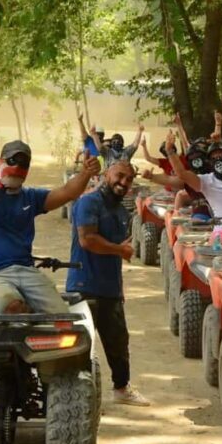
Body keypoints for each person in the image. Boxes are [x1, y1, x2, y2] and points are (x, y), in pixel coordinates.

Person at [0, 119, 100, 314]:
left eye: (23, 163)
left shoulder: (31, 197)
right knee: (9, 306)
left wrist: (86, 173)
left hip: (27, 272)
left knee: (63, 318)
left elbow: (68, 192)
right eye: (12, 160)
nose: (17, 167)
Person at [66, 159, 150, 406]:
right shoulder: (88, 202)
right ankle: (80, 402)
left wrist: (119, 257)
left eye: (129, 179)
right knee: (81, 348)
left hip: (110, 288)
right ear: (106, 174)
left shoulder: (121, 210)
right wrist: (119, 250)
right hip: (83, 287)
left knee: (118, 343)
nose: (123, 182)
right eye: (120, 175)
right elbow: (87, 240)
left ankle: (121, 389)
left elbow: (118, 248)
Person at [166, 97, 222, 246]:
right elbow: (182, 174)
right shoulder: (206, 181)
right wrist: (170, 151)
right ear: (210, 162)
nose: (219, 159)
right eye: (214, 158)